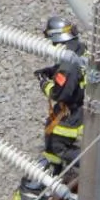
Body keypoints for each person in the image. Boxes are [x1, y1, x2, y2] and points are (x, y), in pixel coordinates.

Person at [36, 16, 85, 172]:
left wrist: (45, 84)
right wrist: (51, 71)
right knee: (50, 132)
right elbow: (72, 73)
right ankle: (55, 168)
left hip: (75, 110)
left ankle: (92, 166)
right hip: (84, 99)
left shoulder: (67, 66)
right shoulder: (79, 48)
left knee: (58, 144)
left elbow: (59, 94)